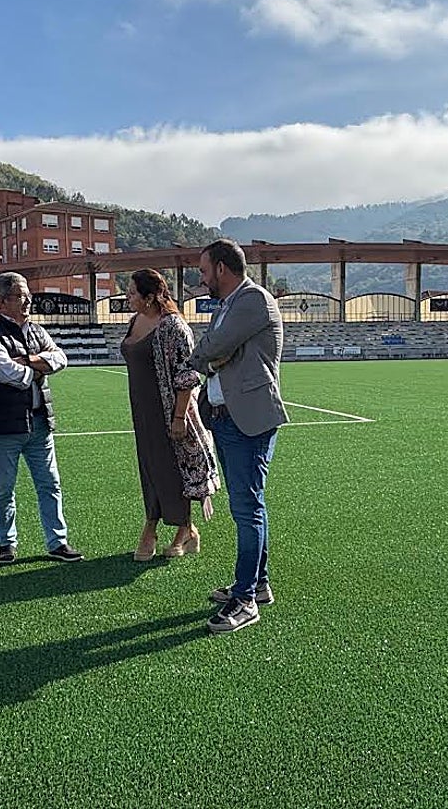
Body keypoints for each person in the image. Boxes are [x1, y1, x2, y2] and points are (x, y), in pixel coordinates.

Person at [188, 239, 287, 635]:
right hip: (227, 419)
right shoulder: (229, 306)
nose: (201, 277)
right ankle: (257, 585)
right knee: (246, 507)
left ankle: (245, 599)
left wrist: (213, 353)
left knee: (248, 509)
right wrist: (213, 354)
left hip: (248, 421)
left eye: (203, 270)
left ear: (223, 269)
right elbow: (210, 353)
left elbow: (211, 348)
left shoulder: (252, 301)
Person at [0, 272, 84, 564]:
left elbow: (61, 359)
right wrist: (40, 365)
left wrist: (31, 361)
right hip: (4, 425)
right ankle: (6, 543)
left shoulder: (35, 330)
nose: (28, 300)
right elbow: (9, 374)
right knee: (3, 488)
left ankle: (57, 542)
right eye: (21, 295)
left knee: (50, 484)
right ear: (2, 300)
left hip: (39, 422)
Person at [122, 268, 220, 562]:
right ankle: (152, 522)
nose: (127, 296)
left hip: (170, 412)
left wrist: (178, 418)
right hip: (143, 411)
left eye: (132, 292)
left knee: (172, 471)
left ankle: (183, 530)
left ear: (150, 297)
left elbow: (187, 375)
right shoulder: (134, 321)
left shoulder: (174, 328)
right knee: (150, 469)